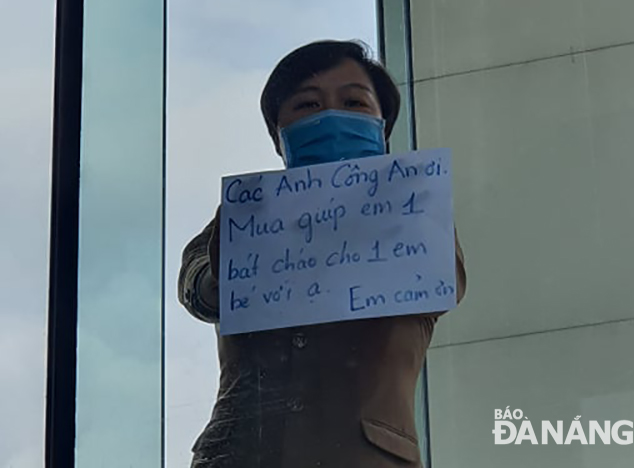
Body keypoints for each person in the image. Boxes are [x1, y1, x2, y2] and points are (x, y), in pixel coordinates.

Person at [177, 40, 467, 468]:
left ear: (382, 127)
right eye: (308, 105)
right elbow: (199, 291)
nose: (332, 116)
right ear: (280, 136)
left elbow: (446, 281)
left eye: (353, 102)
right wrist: (249, 244)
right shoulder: (244, 213)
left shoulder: (414, 210)